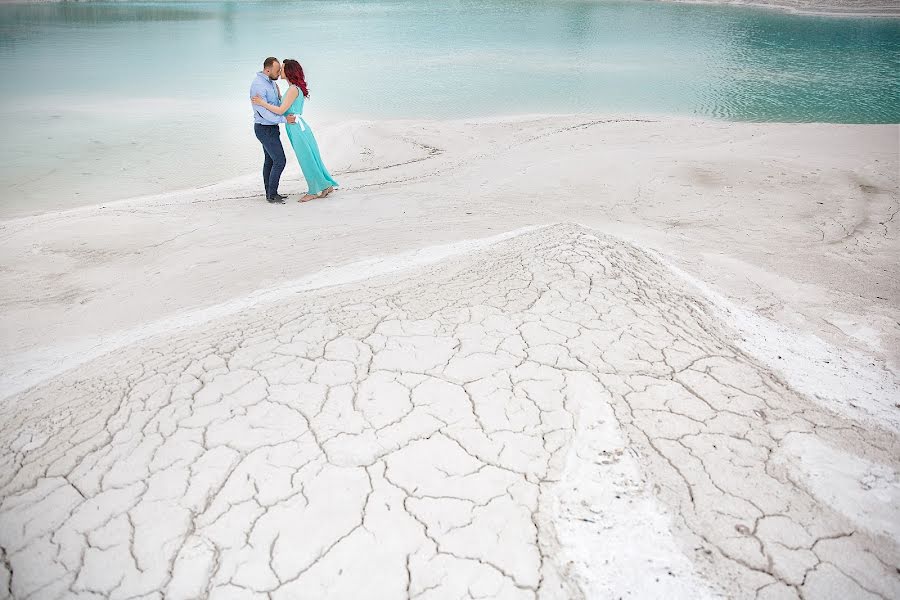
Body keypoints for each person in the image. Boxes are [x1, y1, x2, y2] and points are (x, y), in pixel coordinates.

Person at [252, 59, 338, 203]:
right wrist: (279, 96)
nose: (280, 72)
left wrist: (262, 103)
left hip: (296, 127)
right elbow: (285, 106)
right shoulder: (292, 88)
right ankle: (325, 185)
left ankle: (313, 191)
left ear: (289, 71)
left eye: (283, 69)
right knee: (311, 157)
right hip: (296, 126)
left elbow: (281, 110)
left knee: (306, 159)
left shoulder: (292, 89)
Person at [250, 57, 298, 204]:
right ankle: (271, 195)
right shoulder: (258, 85)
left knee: (270, 161)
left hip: (271, 127)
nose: (279, 73)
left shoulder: (270, 83)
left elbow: (274, 104)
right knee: (280, 160)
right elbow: (264, 112)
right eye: (277, 71)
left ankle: (271, 193)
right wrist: (285, 120)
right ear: (268, 69)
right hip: (264, 128)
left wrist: (278, 96)